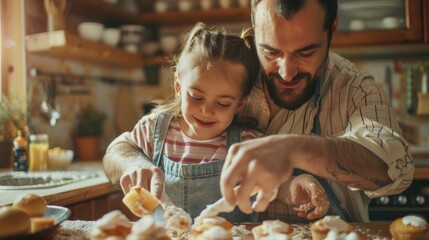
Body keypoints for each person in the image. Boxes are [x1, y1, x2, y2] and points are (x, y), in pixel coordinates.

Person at [103, 22, 329, 221]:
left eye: (223, 103)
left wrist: (294, 188)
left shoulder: (247, 144)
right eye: (196, 97)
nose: (206, 110)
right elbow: (115, 152)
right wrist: (133, 164)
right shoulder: (154, 130)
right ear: (178, 86)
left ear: (240, 104)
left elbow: (272, 186)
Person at [219, 0, 414, 223]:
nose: (287, 73)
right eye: (270, 52)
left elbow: (396, 170)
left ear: (332, 29)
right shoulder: (228, 74)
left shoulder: (354, 87)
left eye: (305, 53)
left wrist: (295, 148)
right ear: (254, 24)